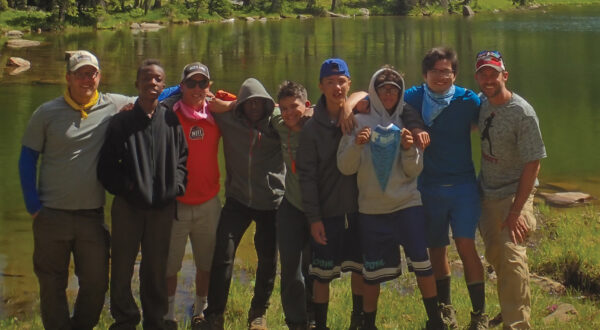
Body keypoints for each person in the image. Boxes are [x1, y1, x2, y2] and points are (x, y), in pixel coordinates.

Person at [18, 50, 135, 330]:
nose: (87, 79)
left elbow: (151, 93)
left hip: (90, 217)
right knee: (51, 283)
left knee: (96, 282)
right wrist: (33, 205)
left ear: (99, 77)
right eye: (80, 74)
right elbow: (27, 159)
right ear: (68, 77)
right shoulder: (46, 113)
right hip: (50, 216)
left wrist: (188, 87)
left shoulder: (112, 105)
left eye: (92, 73)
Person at [337, 66, 445, 330]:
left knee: (422, 263)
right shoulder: (357, 123)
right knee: (371, 273)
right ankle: (368, 323)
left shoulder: (407, 122)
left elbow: (414, 170)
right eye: (382, 89)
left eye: (393, 90)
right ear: (373, 91)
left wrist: (409, 150)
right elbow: (345, 167)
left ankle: (435, 320)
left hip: (407, 205)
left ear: (400, 94)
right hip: (371, 211)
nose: (387, 94)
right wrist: (356, 144)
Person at [97, 59, 188, 330]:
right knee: (122, 266)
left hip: (162, 207)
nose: (153, 83)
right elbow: (106, 168)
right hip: (128, 207)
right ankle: (125, 318)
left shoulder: (171, 119)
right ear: (137, 84)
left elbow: (182, 158)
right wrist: (128, 188)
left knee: (155, 269)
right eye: (147, 79)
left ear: (163, 85)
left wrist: (176, 187)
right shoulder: (121, 122)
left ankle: (155, 320)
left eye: (158, 79)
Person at [403, 47, 487, 329]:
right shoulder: (413, 97)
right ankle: (445, 310)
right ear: (425, 74)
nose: (441, 77)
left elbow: (487, 117)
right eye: (435, 72)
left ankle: (479, 315)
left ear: (455, 74)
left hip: (463, 185)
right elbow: (375, 97)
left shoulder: (467, 99)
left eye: (447, 72)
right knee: (437, 249)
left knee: (466, 245)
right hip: (428, 187)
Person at [201, 78, 285, 330]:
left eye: (260, 102)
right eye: (249, 102)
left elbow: (303, 114)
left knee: (268, 259)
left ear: (268, 103)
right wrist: (226, 105)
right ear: (241, 104)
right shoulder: (228, 119)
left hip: (270, 202)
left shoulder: (276, 124)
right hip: (237, 200)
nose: (255, 107)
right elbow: (186, 95)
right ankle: (215, 315)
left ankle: (258, 313)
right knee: (222, 255)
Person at [474, 50, 546, 329]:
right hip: (487, 192)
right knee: (495, 254)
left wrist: (517, 211)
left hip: (516, 194)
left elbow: (533, 164)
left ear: (505, 75)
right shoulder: (480, 103)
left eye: (494, 73)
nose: (489, 78)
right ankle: (509, 306)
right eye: (483, 73)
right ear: (478, 77)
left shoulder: (522, 112)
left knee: (512, 255)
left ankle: (516, 323)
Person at [296, 58, 365, 330]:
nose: (337, 87)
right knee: (322, 274)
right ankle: (321, 324)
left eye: (341, 81)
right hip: (327, 212)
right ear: (321, 86)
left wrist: (350, 105)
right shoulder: (312, 127)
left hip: (359, 209)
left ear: (349, 83)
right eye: (330, 82)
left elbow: (376, 90)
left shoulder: (362, 114)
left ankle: (358, 320)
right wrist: (314, 219)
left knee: (360, 268)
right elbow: (307, 177)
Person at [159, 63, 222, 330]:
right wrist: (174, 91)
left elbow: (250, 102)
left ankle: (200, 310)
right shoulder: (167, 112)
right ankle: (169, 315)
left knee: (206, 263)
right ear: (182, 85)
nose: (198, 89)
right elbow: (150, 98)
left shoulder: (218, 113)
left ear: (209, 86)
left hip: (209, 203)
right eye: (192, 83)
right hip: (177, 205)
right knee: (170, 266)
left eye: (202, 83)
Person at [273, 81, 315, 330]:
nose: (289, 113)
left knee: (313, 268)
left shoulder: (318, 124)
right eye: (284, 108)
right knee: (290, 268)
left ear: (307, 105)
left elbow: (355, 98)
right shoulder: (279, 123)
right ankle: (295, 321)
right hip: (290, 205)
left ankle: (313, 317)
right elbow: (256, 99)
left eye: (295, 107)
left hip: (316, 208)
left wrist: (316, 111)